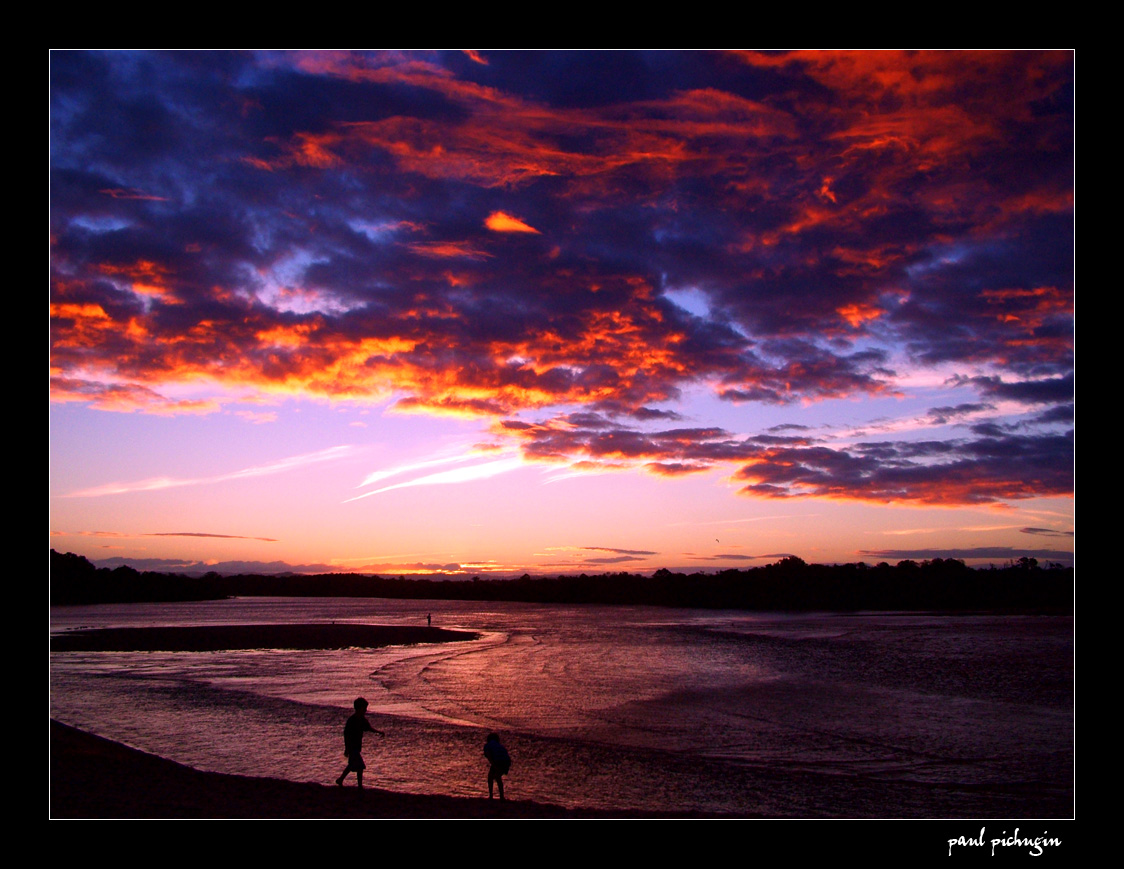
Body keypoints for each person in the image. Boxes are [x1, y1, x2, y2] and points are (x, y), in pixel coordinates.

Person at [335, 697, 384, 788]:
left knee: (352, 765)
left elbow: (369, 728)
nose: (365, 710)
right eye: (364, 708)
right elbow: (347, 734)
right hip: (352, 747)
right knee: (360, 766)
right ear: (359, 708)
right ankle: (359, 786)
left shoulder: (362, 719)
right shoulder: (352, 720)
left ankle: (341, 779)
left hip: (357, 746)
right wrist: (346, 748)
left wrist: (378, 732)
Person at [483, 732, 511, 800]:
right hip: (506, 761)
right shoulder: (499, 745)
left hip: (498, 760)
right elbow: (506, 756)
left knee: (492, 777)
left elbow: (489, 756)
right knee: (497, 777)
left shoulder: (487, 745)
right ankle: (501, 796)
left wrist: (494, 765)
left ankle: (491, 796)